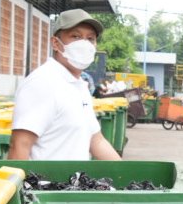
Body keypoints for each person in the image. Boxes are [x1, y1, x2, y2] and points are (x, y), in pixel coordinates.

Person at [8, 9, 120, 161]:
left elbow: (96, 141)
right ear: (55, 43)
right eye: (76, 36)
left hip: (72, 183)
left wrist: (130, 176)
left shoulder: (79, 86)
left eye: (90, 38)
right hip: (46, 183)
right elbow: (20, 145)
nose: (84, 44)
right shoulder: (43, 82)